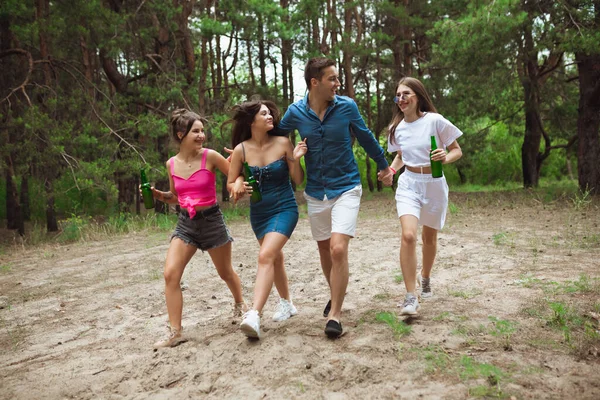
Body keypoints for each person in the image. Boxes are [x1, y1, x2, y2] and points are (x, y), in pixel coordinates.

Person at [275, 57, 393, 338]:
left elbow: (365, 137)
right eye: (332, 79)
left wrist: (384, 166)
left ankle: (336, 315)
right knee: (326, 251)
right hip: (316, 191)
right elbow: (274, 138)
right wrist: (247, 154)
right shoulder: (295, 113)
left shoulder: (346, 107)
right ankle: (335, 294)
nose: (338, 84)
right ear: (315, 83)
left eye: (337, 79)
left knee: (338, 249)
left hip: (346, 187)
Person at [150, 109, 247, 348]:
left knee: (225, 272)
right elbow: (176, 196)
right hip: (186, 224)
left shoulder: (211, 156)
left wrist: (238, 185)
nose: (202, 135)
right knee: (170, 274)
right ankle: (176, 332)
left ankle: (241, 304)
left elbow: (235, 175)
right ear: (181, 134)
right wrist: (161, 196)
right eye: (196, 131)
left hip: (212, 221)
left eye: (203, 130)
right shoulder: (171, 164)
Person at [225, 100, 306, 339]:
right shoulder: (241, 149)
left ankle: (254, 314)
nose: (270, 115)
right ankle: (287, 304)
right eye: (264, 113)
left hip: (285, 208)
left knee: (265, 256)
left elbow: (298, 180)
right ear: (252, 122)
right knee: (274, 258)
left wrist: (296, 158)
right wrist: (238, 183)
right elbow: (230, 183)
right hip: (259, 213)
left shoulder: (283, 142)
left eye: (270, 112)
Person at [386, 77, 463, 316]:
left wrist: (444, 157)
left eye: (406, 93)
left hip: (434, 184)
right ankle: (411, 296)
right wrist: (391, 170)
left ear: (418, 95)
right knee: (408, 236)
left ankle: (425, 277)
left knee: (429, 238)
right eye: (398, 95)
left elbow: (456, 150)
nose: (401, 99)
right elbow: (401, 156)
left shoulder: (435, 121)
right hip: (409, 183)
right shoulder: (396, 128)